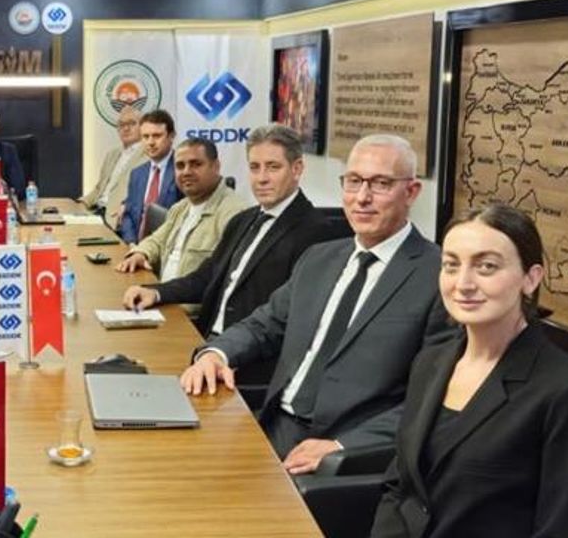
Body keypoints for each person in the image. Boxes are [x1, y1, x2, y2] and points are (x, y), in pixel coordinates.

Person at [181, 134, 455, 474]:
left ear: (411, 192)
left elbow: (434, 398)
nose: (362, 197)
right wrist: (215, 354)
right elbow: (264, 324)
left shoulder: (439, 277)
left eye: (381, 184)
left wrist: (343, 448)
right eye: (353, 181)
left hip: (343, 451)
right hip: (272, 423)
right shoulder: (319, 258)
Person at [370, 203, 568, 538]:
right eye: (451, 265)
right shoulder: (430, 362)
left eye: (486, 267)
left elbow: (567, 530)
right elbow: (400, 488)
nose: (463, 283)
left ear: (531, 278)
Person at [121, 124, 328, 384]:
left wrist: (224, 354)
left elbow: (287, 322)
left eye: (273, 167)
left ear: (296, 169)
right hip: (205, 343)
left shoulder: (316, 234)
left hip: (244, 364)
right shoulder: (244, 220)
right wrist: (156, 292)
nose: (261, 178)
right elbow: (206, 277)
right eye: (254, 167)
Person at [114, 137, 246, 282]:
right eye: (180, 166)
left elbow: (224, 278)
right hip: (162, 291)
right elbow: (157, 241)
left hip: (187, 296)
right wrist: (141, 254)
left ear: (216, 166)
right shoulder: (180, 207)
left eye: (196, 164)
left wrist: (162, 292)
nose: (186, 172)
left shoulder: (235, 213)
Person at [117, 109, 181, 243]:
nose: (150, 142)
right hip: (135, 246)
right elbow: (128, 215)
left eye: (157, 136)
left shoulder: (183, 169)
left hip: (168, 245)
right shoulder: (137, 173)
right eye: (145, 137)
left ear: (171, 136)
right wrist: (131, 244)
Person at [79, 106, 146, 217]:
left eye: (132, 123)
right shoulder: (112, 154)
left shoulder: (147, 156)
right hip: (95, 210)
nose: (126, 128)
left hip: (116, 215)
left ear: (143, 127)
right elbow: (99, 189)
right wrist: (82, 202)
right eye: (121, 125)